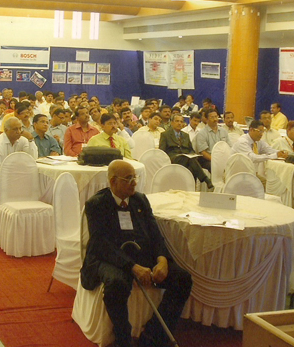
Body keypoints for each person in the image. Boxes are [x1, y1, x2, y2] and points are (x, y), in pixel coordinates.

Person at [81, 160, 192, 347]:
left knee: (183, 279)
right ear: (113, 181)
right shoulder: (97, 204)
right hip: (110, 258)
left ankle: (154, 334)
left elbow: (155, 234)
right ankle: (122, 338)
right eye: (128, 179)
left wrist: (162, 260)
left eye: (135, 177)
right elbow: (101, 244)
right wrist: (132, 267)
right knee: (117, 283)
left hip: (141, 254)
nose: (134, 183)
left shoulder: (140, 200)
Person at [0, 117, 36, 210]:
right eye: (15, 129)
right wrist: (13, 179)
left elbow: (32, 159)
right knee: (1, 184)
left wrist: (31, 140)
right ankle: (2, 213)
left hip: (13, 175)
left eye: (20, 128)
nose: (19, 132)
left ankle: (23, 212)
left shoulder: (23, 141)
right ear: (6, 130)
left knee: (31, 181)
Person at [160, 114, 213, 190]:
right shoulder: (165, 134)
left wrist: (192, 154)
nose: (179, 123)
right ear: (172, 123)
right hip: (174, 157)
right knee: (190, 160)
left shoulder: (185, 135)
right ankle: (205, 179)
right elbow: (162, 151)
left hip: (187, 157)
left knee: (192, 164)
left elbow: (191, 149)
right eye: (177, 121)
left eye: (181, 121)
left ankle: (190, 189)